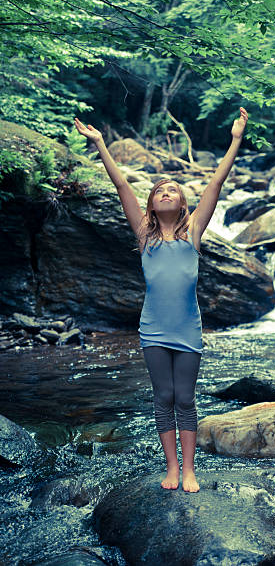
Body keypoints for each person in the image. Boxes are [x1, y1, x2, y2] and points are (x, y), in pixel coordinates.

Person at [74, 107, 248, 492]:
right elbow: (121, 186)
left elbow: (215, 186)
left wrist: (235, 140)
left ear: (183, 204)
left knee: (185, 398)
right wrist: (101, 144)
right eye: (159, 192)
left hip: (188, 328)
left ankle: (189, 470)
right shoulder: (144, 235)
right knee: (163, 396)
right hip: (153, 328)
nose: (166, 193)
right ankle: (171, 468)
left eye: (173, 190)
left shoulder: (193, 233)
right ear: (151, 205)